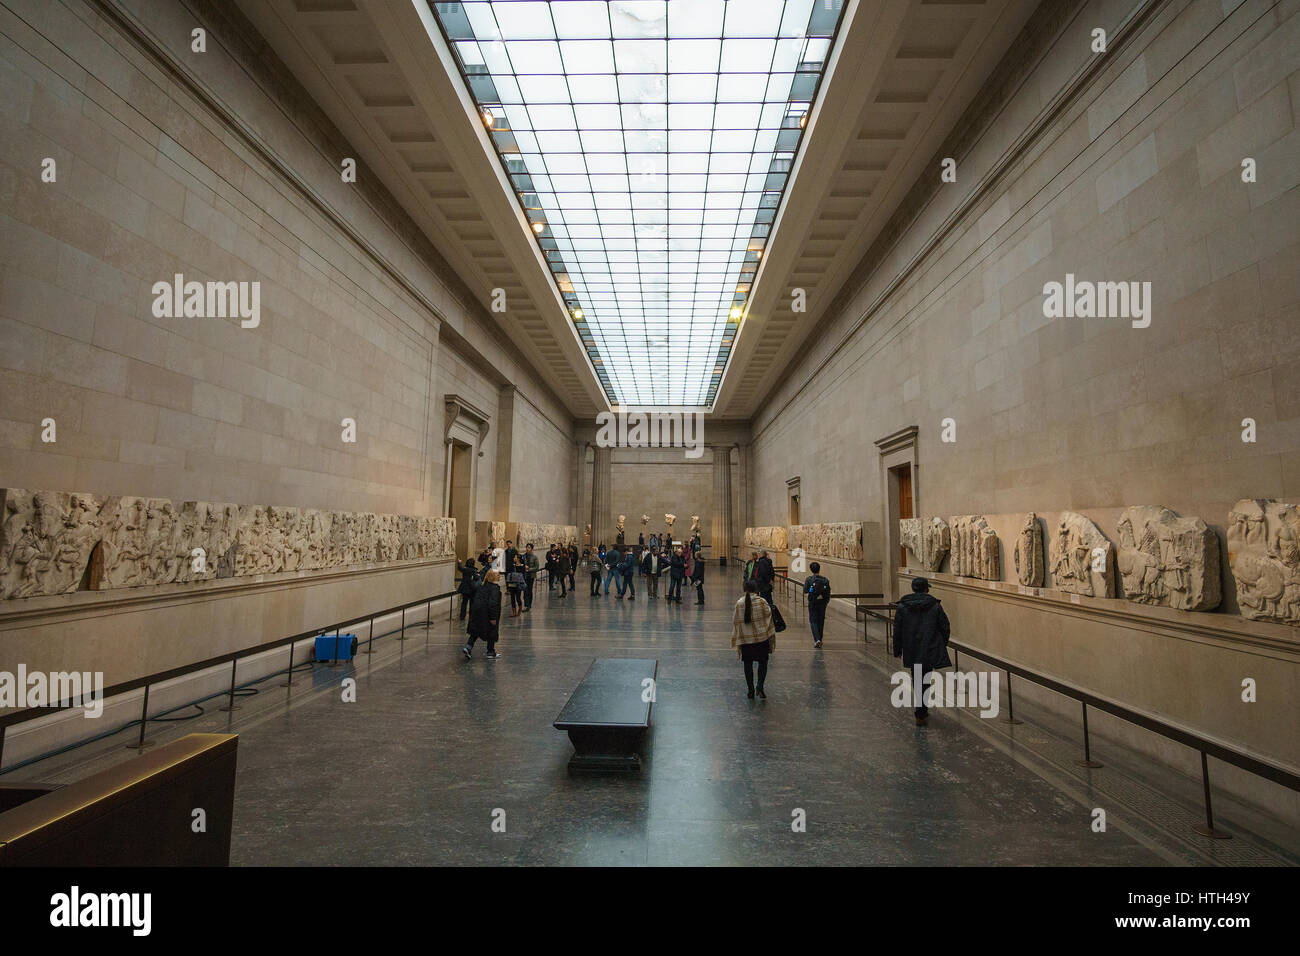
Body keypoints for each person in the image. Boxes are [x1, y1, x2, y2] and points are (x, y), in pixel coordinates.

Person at [892, 577, 952, 724]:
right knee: (925, 678)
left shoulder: (903, 607)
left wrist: (897, 649)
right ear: (926, 589)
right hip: (929, 647)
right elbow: (945, 627)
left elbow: (897, 630)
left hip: (912, 647)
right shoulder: (935, 606)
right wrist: (940, 643)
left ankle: (920, 711)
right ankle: (921, 710)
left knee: (917, 678)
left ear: (913, 589)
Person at [731, 579, 775, 699]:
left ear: (744, 589)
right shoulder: (762, 601)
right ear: (756, 589)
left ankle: (750, 690)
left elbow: (736, 621)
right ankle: (760, 686)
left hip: (746, 640)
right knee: (763, 663)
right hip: (761, 639)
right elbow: (768, 616)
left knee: (748, 665)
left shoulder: (739, 603)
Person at [463, 569, 502, 660]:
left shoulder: (483, 586)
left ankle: (468, 647)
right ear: (493, 576)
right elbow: (493, 604)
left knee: (476, 631)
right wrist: (493, 617)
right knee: (492, 632)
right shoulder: (494, 588)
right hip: (488, 615)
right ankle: (490, 651)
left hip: (479, 613)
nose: (499, 576)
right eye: (498, 574)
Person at [804, 561, 832, 648]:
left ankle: (817, 640)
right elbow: (828, 591)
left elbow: (805, 591)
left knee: (813, 621)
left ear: (811, 570)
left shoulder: (809, 579)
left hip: (813, 602)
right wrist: (826, 601)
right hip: (822, 603)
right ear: (819, 569)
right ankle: (820, 638)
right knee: (821, 621)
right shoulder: (825, 580)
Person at [456, 557, 478, 621]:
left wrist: (459, 562)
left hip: (465, 589)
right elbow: (476, 578)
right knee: (472, 603)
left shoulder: (466, 569)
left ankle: (462, 616)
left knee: (464, 603)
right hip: (472, 589)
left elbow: (460, 568)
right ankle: (471, 615)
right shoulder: (474, 570)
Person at [522, 543, 539, 612]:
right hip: (524, 576)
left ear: (531, 549)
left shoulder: (534, 557)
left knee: (529, 590)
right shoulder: (523, 557)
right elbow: (520, 564)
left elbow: (536, 567)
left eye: (529, 547)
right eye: (526, 547)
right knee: (525, 590)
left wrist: (529, 569)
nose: (527, 549)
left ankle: (529, 605)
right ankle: (526, 605)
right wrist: (523, 567)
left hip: (531, 576)